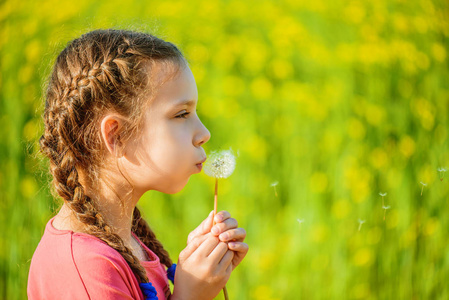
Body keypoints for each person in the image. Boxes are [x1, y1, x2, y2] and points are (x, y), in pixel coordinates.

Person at [27, 29, 248, 300]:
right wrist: (191, 296)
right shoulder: (84, 270)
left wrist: (195, 276)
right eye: (181, 114)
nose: (204, 134)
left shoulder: (126, 243)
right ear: (116, 135)